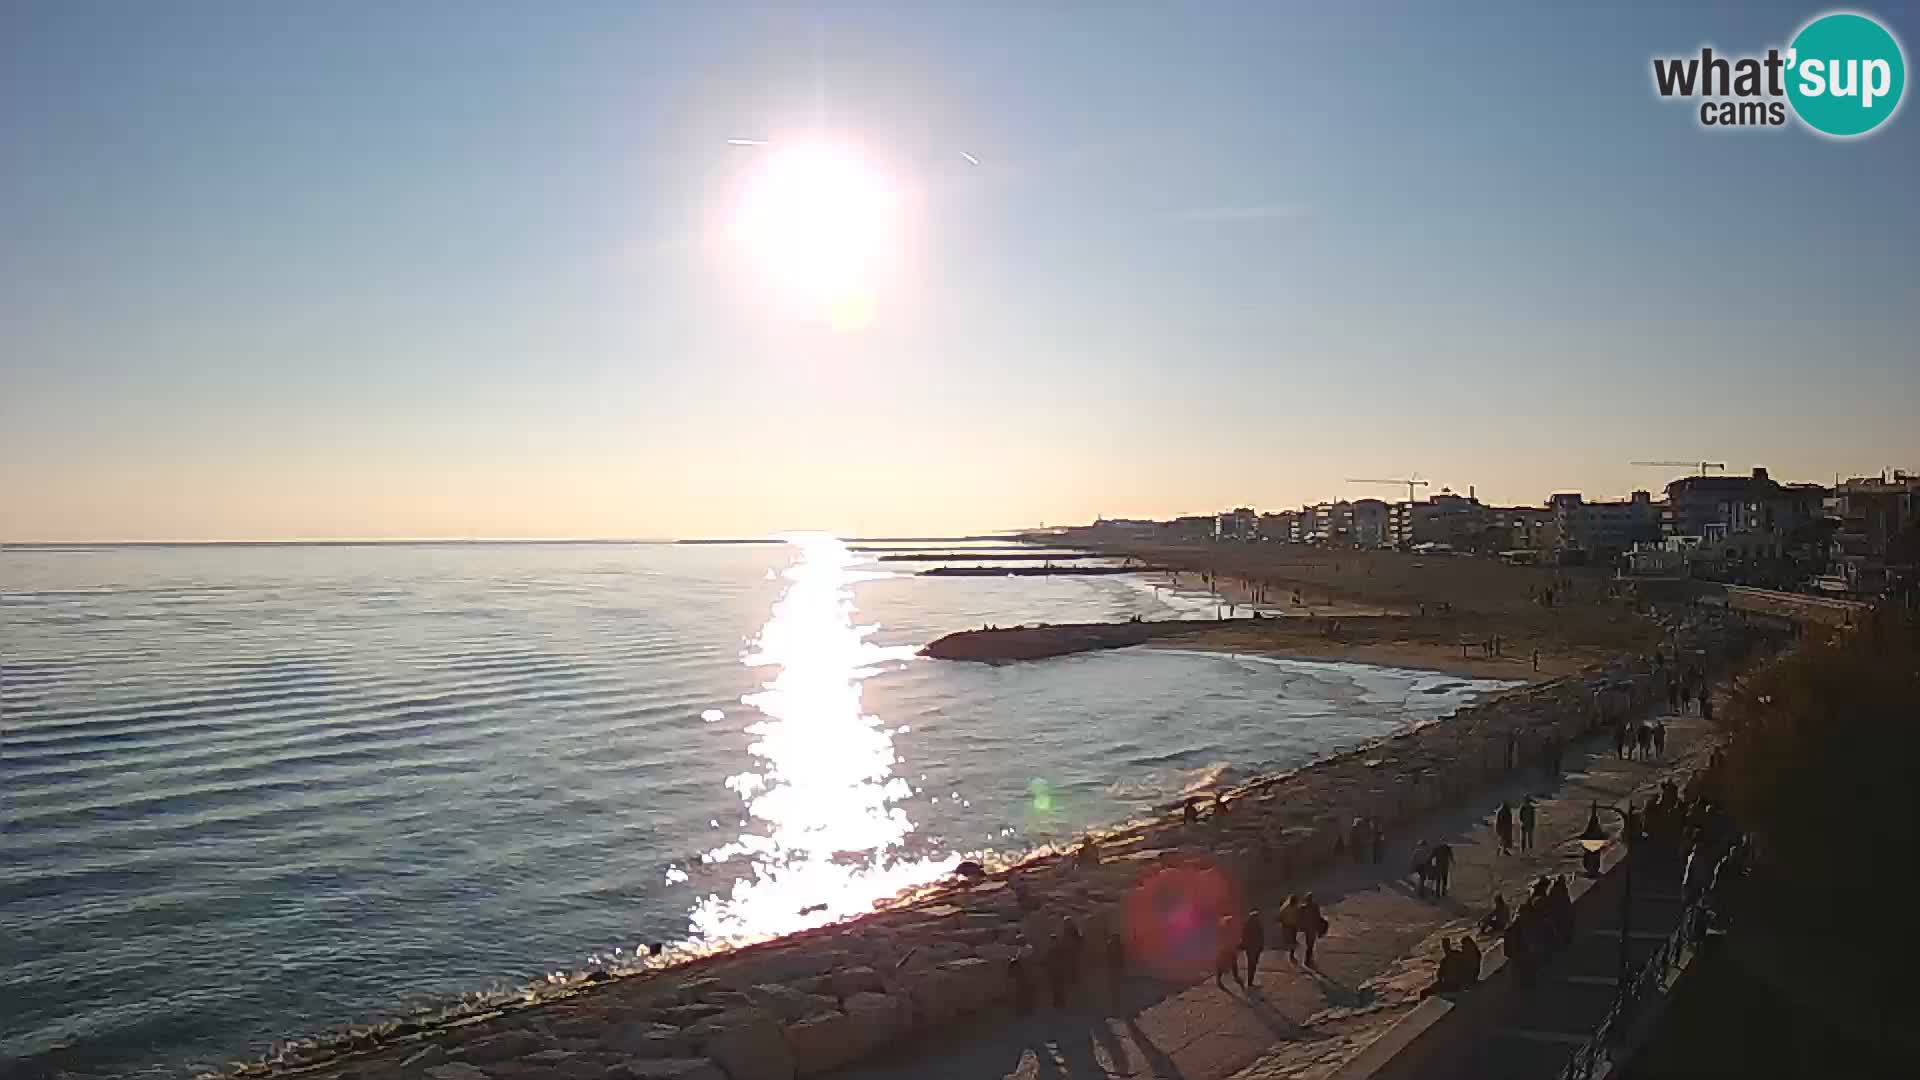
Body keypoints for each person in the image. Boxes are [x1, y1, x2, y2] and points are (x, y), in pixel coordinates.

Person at [1300, 893, 1328, 967]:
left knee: (1308, 943)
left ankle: (1308, 958)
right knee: (1310, 944)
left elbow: (1300, 918)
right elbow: (1318, 916)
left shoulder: (1303, 907)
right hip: (1312, 927)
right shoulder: (1314, 906)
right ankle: (1308, 958)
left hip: (1307, 927)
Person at [1214, 914, 1242, 987]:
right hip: (1226, 949)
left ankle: (1221, 979)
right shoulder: (1224, 929)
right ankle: (1220, 979)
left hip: (1227, 949)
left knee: (1230, 964)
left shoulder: (1224, 929)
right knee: (1226, 964)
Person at [1241, 909, 1266, 984]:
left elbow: (1243, 935)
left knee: (1250, 963)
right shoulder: (1258, 924)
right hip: (1256, 947)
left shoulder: (1247, 923)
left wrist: (1244, 945)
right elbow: (1261, 936)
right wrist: (1261, 946)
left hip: (1249, 946)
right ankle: (1250, 980)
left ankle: (1249, 980)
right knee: (1253, 963)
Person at [1277, 894, 1301, 963]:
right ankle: (1291, 953)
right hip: (1292, 926)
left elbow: (1279, 917)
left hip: (1288, 926)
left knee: (1290, 940)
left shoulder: (1285, 908)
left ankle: (1290, 952)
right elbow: (1299, 917)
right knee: (1292, 940)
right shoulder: (1296, 909)